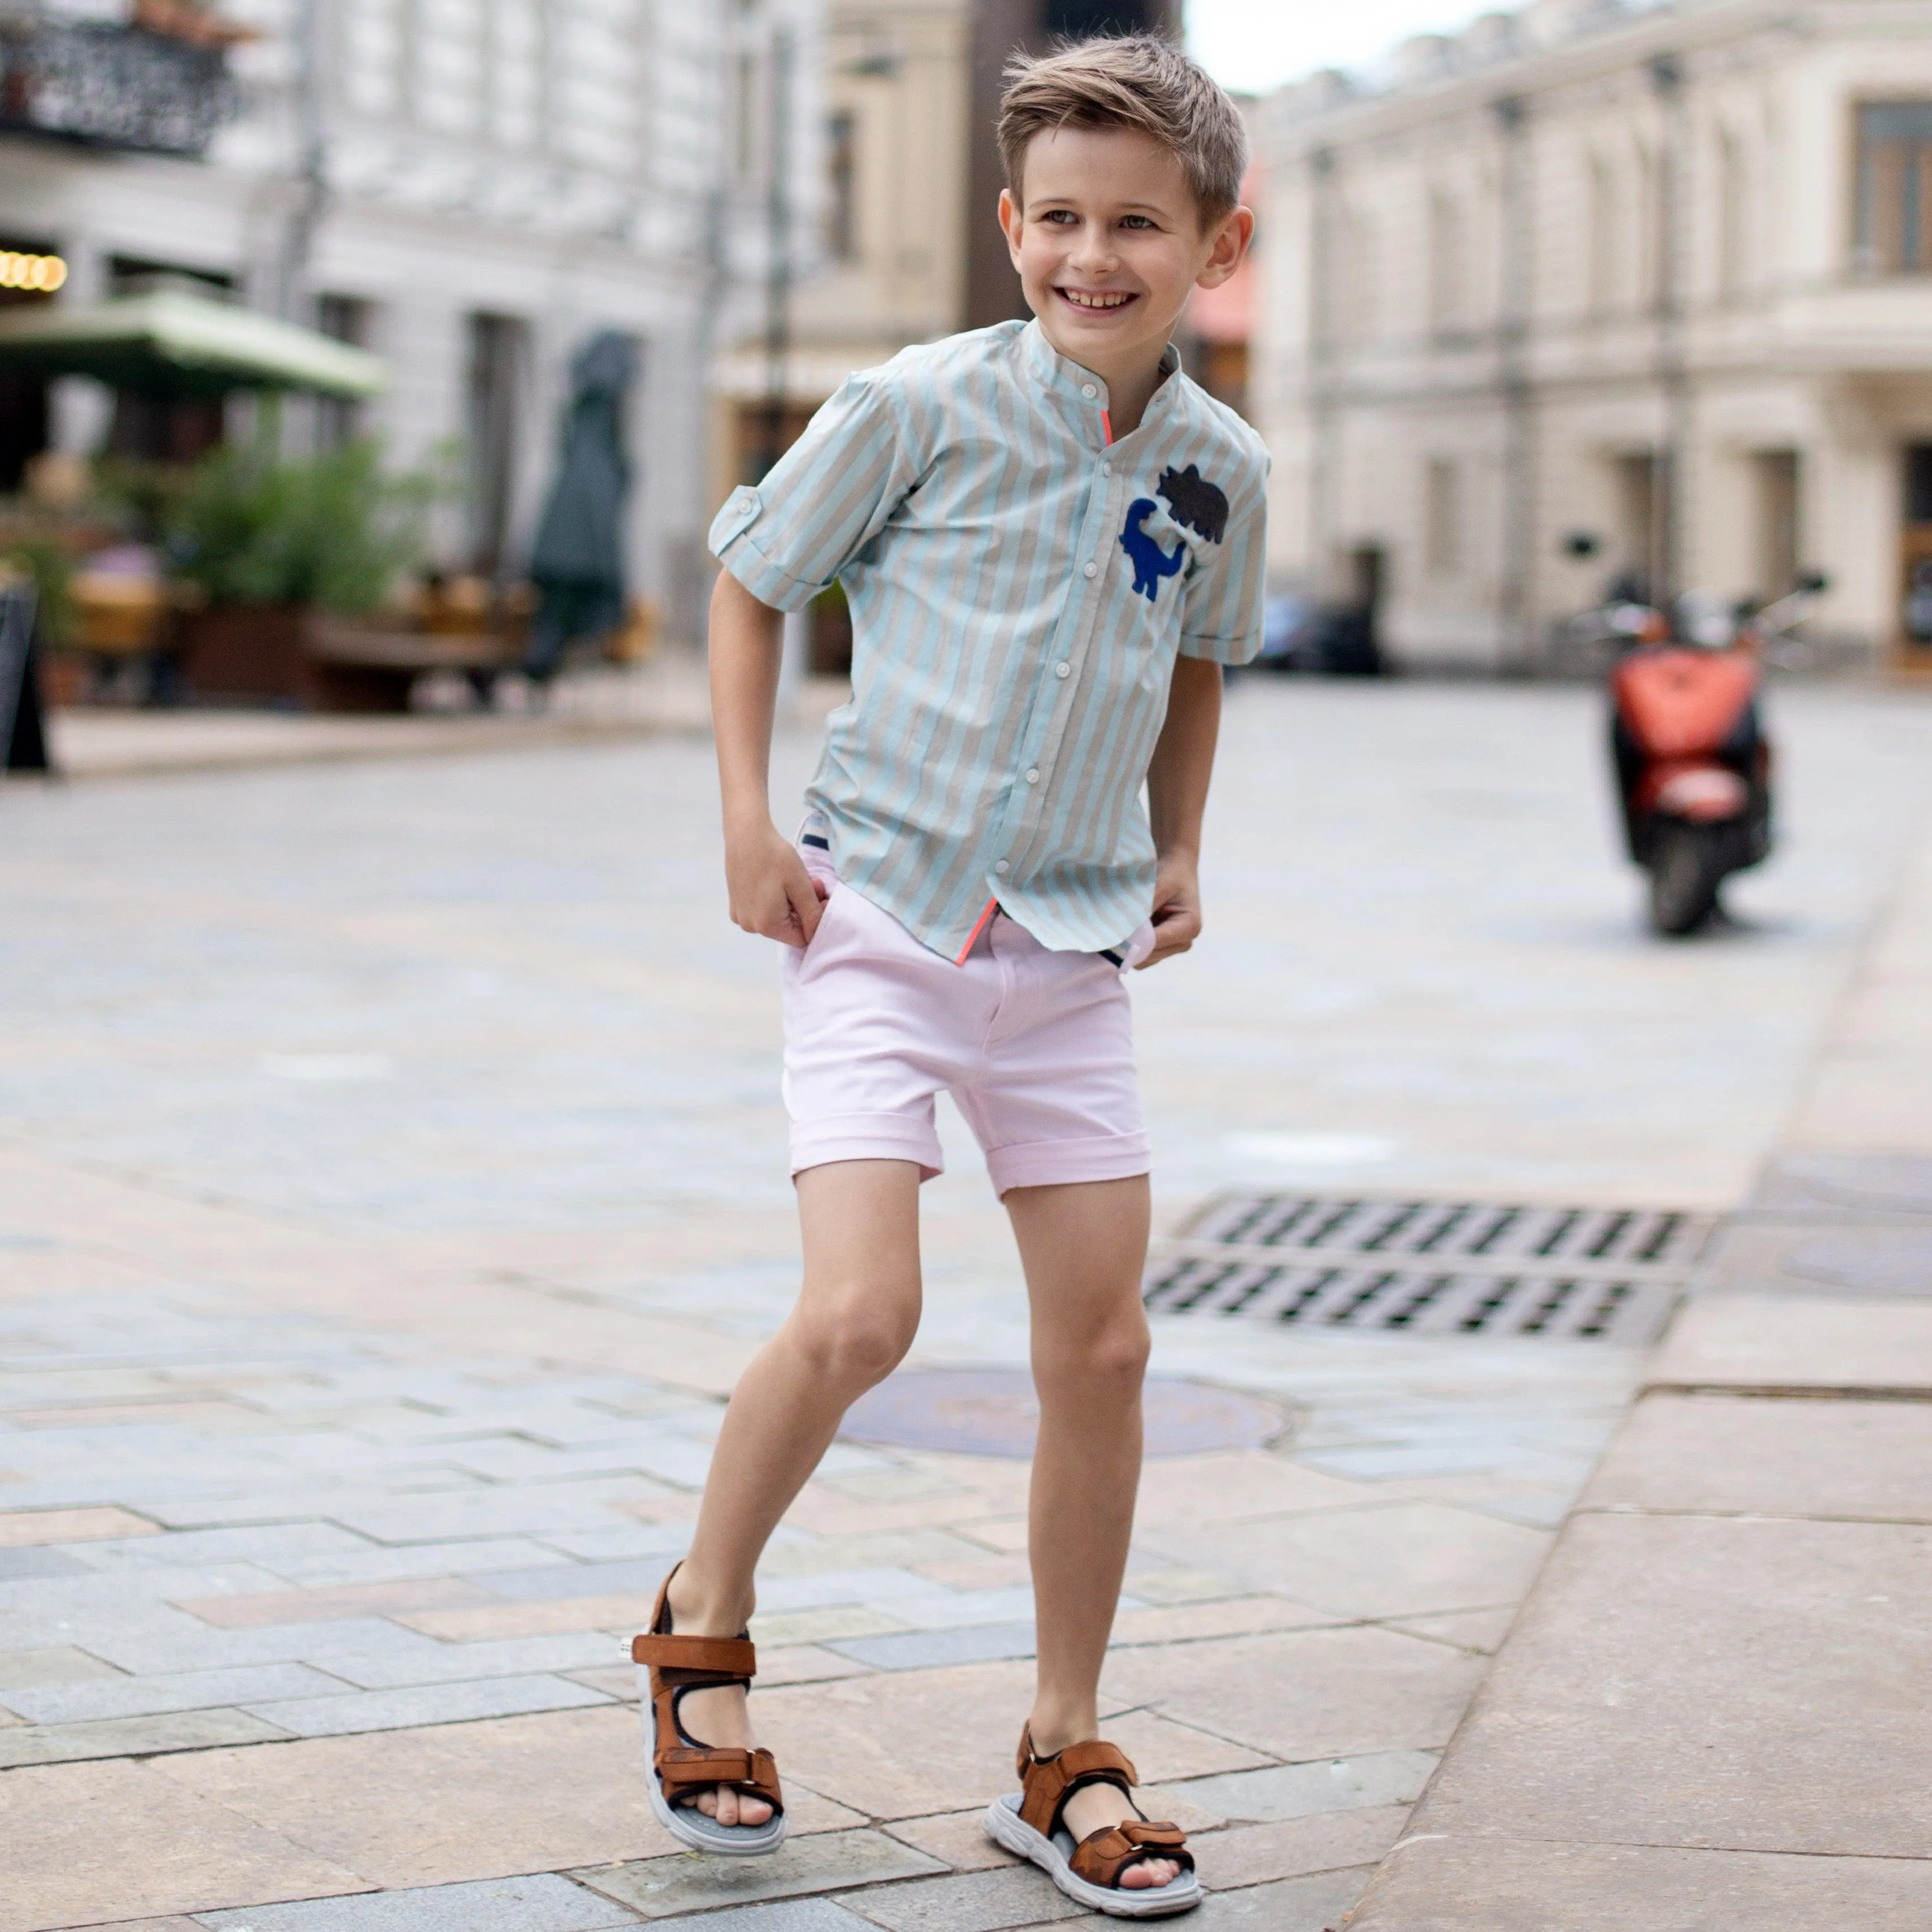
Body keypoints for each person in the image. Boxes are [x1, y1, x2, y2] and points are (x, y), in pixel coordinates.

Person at [633, 34, 1263, 1919]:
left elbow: (1200, 653)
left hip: (1069, 950)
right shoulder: (911, 404)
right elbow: (754, 579)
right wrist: (745, 821)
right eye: (1059, 219)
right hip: (878, 923)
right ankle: (701, 1619)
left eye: (1137, 223)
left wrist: (1181, 845)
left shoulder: (1222, 464)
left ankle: (1063, 1739)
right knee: (860, 1320)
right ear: (1010, 227)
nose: (1094, 255)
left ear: (1211, 243)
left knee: (1108, 1347)